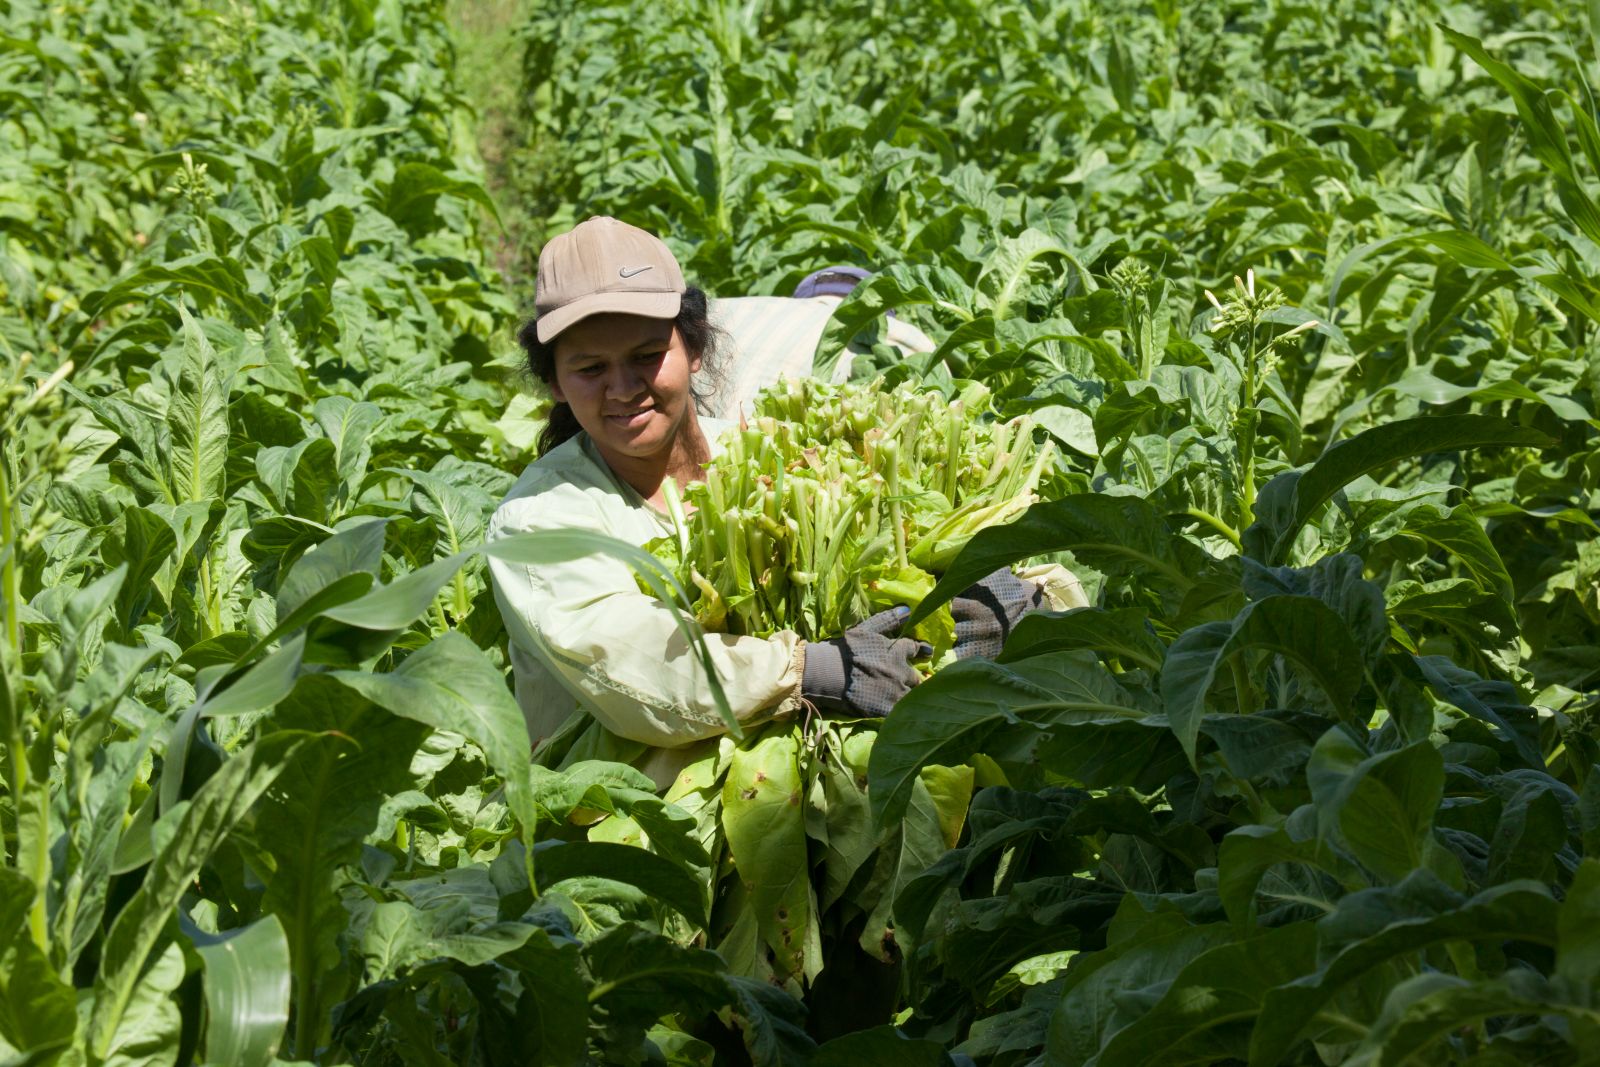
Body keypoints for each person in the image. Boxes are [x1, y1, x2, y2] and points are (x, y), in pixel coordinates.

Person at [486, 216, 1072, 789]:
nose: (622, 388)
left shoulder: (764, 451)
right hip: (629, 815)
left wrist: (1003, 592)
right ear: (556, 383)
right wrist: (808, 669)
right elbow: (629, 664)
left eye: (645, 355)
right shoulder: (539, 521)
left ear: (694, 348)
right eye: (591, 368)